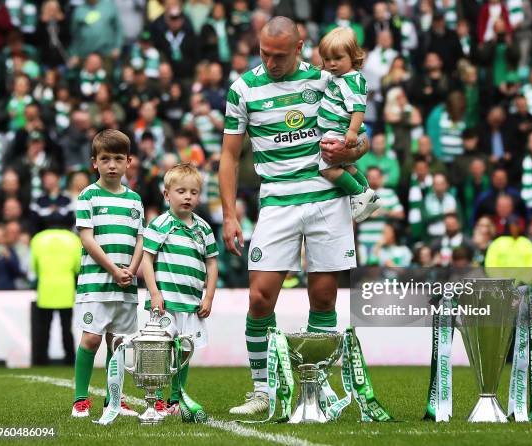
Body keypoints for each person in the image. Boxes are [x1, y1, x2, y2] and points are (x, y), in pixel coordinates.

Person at [220, 16, 368, 415]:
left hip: (325, 199)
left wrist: (350, 152)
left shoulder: (325, 79)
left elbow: (362, 137)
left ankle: (314, 389)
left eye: (279, 56)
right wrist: (229, 215)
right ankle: (262, 390)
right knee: (259, 296)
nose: (271, 62)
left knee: (323, 297)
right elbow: (230, 156)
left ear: (300, 47)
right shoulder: (243, 89)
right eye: (265, 54)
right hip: (277, 202)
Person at [71, 130, 144, 418]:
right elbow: (87, 238)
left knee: (118, 342)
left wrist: (132, 269)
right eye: (105, 159)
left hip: (125, 284)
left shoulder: (135, 200)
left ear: (128, 162)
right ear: (95, 163)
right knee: (91, 339)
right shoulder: (87, 195)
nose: (112, 164)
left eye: (118, 159)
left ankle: (115, 399)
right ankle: (80, 399)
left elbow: (141, 239)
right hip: (96, 283)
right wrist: (114, 269)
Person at [142, 163, 218, 416]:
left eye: (194, 192)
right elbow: (147, 259)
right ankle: (158, 398)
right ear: (167, 195)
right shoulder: (160, 224)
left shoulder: (204, 228)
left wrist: (208, 296)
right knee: (161, 350)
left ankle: (177, 399)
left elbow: (212, 263)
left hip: (191, 303)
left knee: (184, 351)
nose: (188, 197)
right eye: (181, 191)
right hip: (165, 302)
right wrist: (154, 293)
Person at [317, 27, 379, 222]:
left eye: (338, 58)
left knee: (328, 169)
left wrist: (352, 132)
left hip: (341, 132)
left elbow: (359, 109)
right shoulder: (340, 77)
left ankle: (359, 194)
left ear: (352, 56)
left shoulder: (352, 81)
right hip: (339, 131)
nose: (332, 64)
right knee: (348, 168)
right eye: (327, 59)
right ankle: (369, 193)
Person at [29, 224, 82, 365]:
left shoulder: (38, 238)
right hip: (65, 288)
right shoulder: (73, 239)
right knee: (66, 328)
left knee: (43, 328)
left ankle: (41, 360)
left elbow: (33, 266)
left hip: (45, 288)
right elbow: (78, 266)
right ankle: (70, 360)